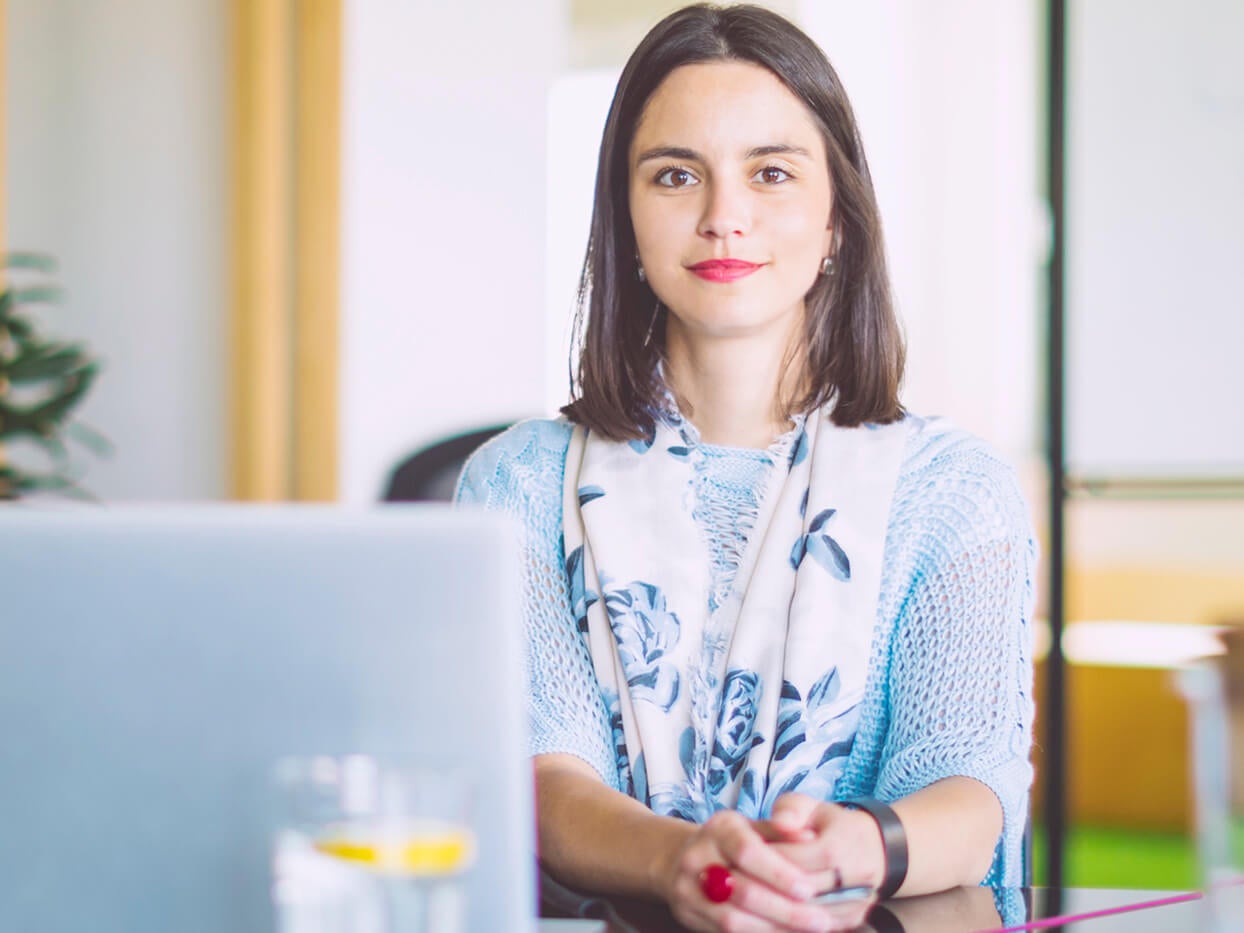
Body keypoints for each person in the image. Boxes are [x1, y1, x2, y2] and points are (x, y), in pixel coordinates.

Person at [456, 4, 1036, 931]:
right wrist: (684, 859)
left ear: (837, 216)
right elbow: (545, 777)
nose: (725, 217)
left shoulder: (957, 490)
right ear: (626, 219)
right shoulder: (514, 484)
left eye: (772, 173)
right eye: (676, 175)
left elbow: (971, 786)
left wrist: (851, 847)